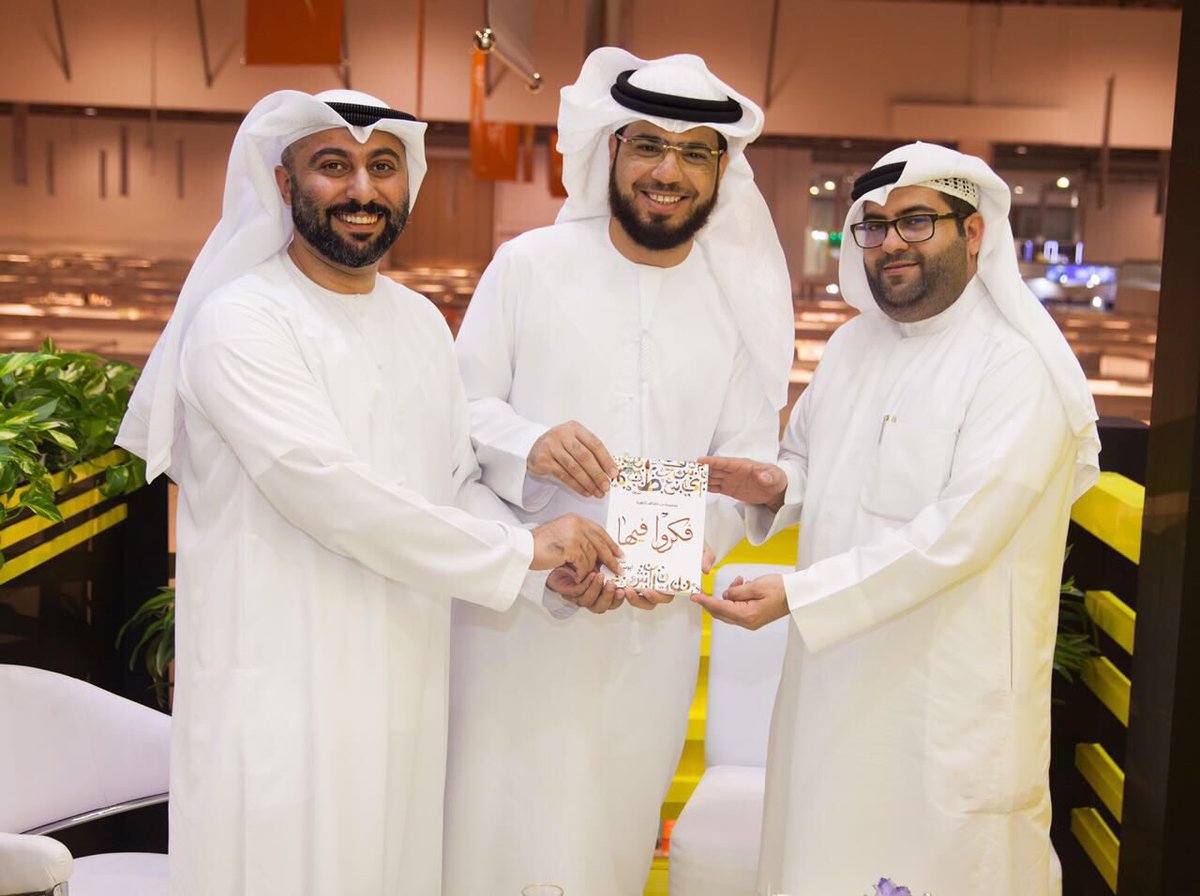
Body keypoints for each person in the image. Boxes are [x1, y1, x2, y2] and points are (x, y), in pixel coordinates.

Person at [116, 88, 620, 896]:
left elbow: (450, 485)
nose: (362, 190)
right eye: (333, 165)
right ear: (284, 183)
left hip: (400, 689)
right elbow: (327, 490)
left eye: (383, 167)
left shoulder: (419, 322)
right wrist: (521, 547)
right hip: (282, 693)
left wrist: (543, 572)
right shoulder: (240, 319)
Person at [695, 142, 1101, 895]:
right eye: (875, 226)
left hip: (942, 704)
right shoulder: (852, 346)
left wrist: (801, 594)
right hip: (831, 691)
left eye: (917, 221)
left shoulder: (1016, 366)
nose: (891, 244)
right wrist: (776, 486)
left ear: (973, 232)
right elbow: (815, 465)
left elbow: (961, 534)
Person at [445, 49, 795, 895]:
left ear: (721, 171)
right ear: (611, 150)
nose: (668, 172)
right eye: (648, 145)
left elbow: (737, 471)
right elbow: (454, 414)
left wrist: (668, 559)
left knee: (611, 839)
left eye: (694, 152)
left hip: (649, 632)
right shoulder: (529, 265)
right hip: (516, 618)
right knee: (493, 839)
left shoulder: (736, 308)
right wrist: (529, 442)